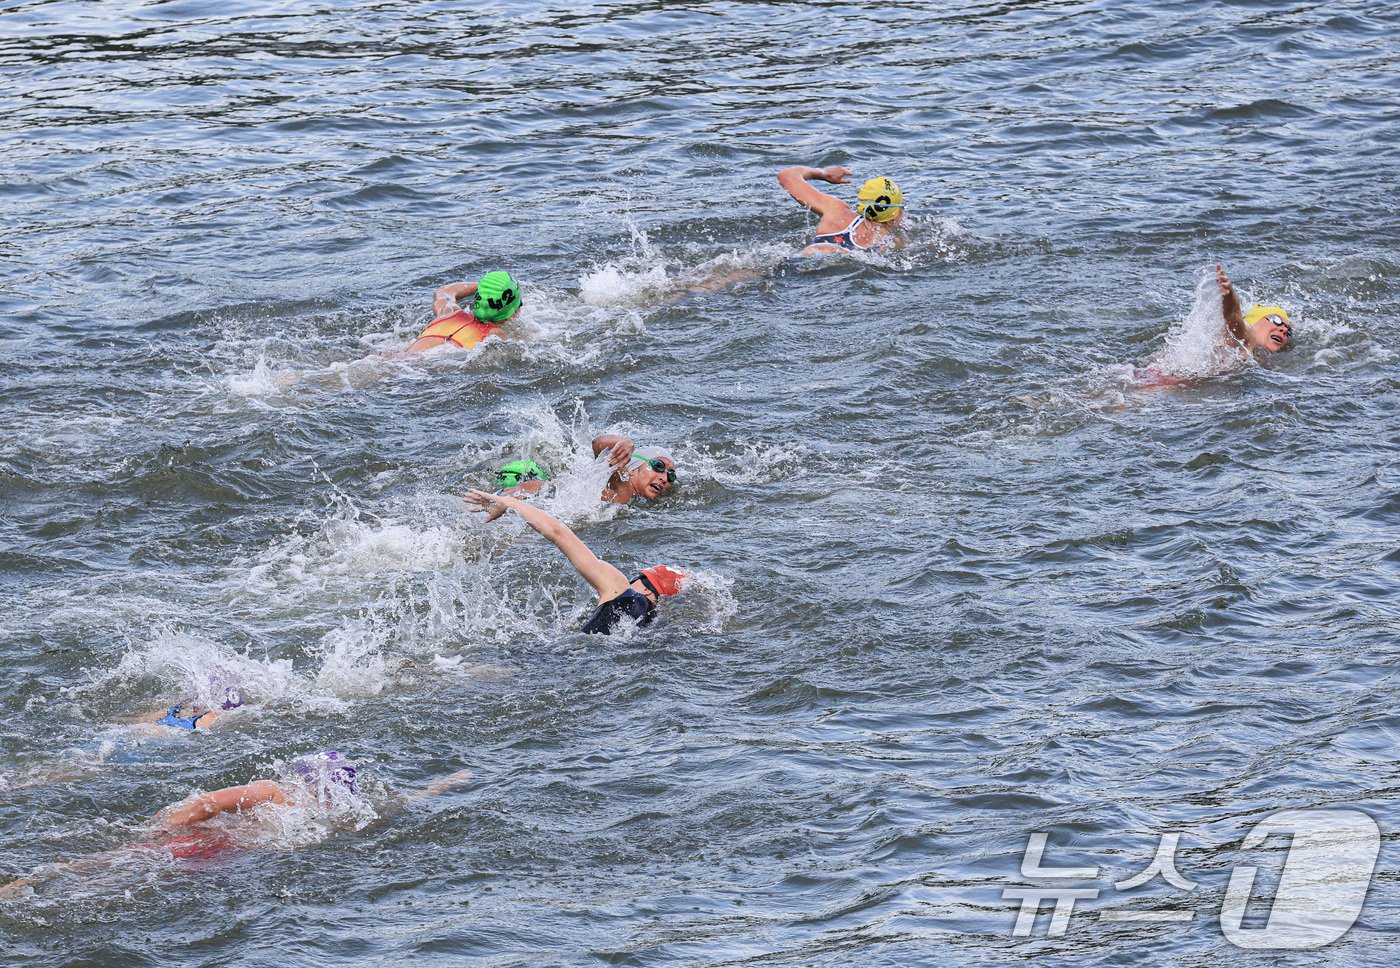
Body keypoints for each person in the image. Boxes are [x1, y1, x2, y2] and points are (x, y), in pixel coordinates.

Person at [0, 753, 473, 895]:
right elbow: (396, 805)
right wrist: (442, 785)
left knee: (121, 864)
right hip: (230, 859)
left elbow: (205, 803)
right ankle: (33, 882)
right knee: (127, 873)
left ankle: (33, 881)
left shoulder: (277, 792)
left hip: (216, 848)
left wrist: (161, 829)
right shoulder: (331, 815)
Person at [462, 489, 686, 635]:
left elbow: (559, 533)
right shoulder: (649, 627)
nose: (631, 581)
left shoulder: (621, 590)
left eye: (639, 579)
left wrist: (510, 502)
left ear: (648, 591)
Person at [483, 435, 678, 522]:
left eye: (671, 475)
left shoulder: (621, 490)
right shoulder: (623, 486)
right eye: (658, 466)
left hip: (531, 495)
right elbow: (599, 443)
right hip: (527, 501)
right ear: (634, 468)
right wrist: (625, 443)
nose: (664, 478)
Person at [777, 164, 906, 255]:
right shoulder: (890, 243)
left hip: (797, 259)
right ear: (896, 214)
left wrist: (822, 173)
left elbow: (786, 175)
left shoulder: (836, 211)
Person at [405, 270, 522, 353]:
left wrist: (485, 288)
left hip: (399, 357)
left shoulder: (449, 312)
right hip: (425, 366)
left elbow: (444, 290)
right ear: (513, 311)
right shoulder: (496, 335)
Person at [1217, 264, 1292, 355]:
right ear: (1253, 322)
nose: (1284, 330)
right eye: (1276, 320)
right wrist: (1229, 294)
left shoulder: (1267, 360)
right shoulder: (1246, 340)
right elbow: (1234, 318)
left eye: (1289, 330)